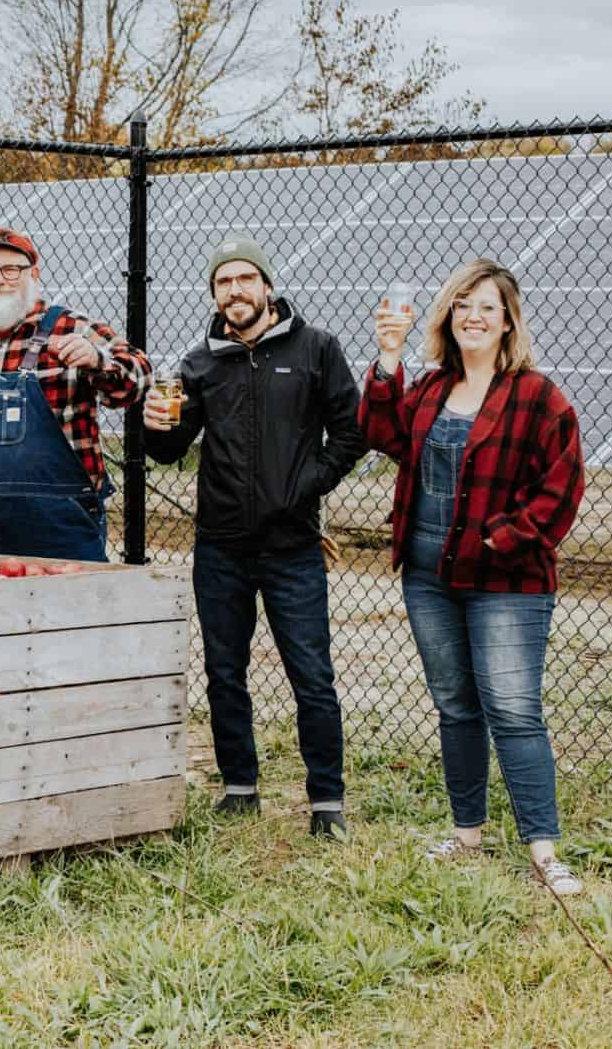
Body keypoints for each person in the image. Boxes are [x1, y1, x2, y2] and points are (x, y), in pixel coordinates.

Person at [361, 258, 585, 895]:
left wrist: (500, 542)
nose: (473, 316)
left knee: (514, 711)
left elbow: (561, 488)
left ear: (509, 321)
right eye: (462, 305)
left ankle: (543, 848)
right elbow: (381, 432)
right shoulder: (431, 388)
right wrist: (386, 358)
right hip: (428, 576)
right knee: (456, 708)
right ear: (448, 317)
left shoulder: (538, 397)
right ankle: (467, 834)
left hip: (506, 581)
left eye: (487, 306)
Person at [143, 233, 365, 838]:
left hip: (293, 547)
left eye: (245, 279)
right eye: (223, 282)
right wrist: (151, 423)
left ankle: (326, 802)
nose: (235, 291)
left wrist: (306, 483)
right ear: (214, 294)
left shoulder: (317, 348)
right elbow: (167, 451)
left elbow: (351, 432)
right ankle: (240, 787)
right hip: (220, 547)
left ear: (267, 287)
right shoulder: (200, 363)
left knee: (312, 676)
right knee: (224, 672)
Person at [0, 227, 149, 561]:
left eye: (10, 269)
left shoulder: (71, 328)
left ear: (33, 273)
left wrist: (96, 359)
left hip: (59, 530)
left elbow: (139, 375)